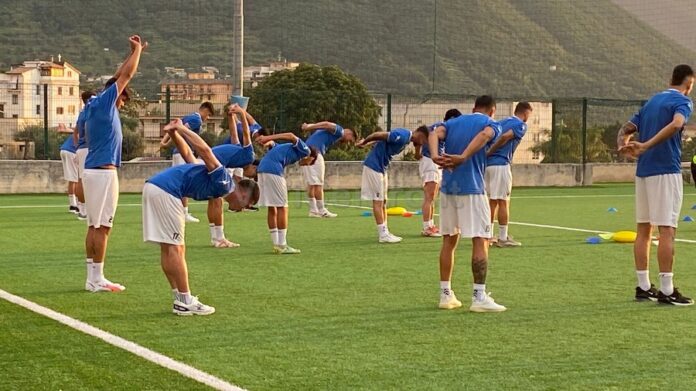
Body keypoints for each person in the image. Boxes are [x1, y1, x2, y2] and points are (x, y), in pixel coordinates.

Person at [143, 119, 259, 315]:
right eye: (247, 205)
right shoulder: (224, 182)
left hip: (155, 187)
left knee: (169, 247)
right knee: (176, 248)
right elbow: (205, 151)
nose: (243, 209)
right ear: (244, 194)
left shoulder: (218, 185)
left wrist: (174, 135)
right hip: (167, 191)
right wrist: (181, 129)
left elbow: (189, 155)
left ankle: (180, 297)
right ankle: (185, 301)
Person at [617, 64, 695, 306]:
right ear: (689, 83)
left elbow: (626, 128)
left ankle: (643, 287)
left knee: (644, 230)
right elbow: (676, 124)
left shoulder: (651, 102)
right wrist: (647, 145)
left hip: (644, 173)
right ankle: (667, 290)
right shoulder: (683, 102)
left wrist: (624, 146)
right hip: (665, 171)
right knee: (667, 230)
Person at [429, 95, 506, 312]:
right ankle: (479, 297)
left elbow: (433, 133)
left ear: (473, 108)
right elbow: (485, 135)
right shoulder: (491, 123)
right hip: (472, 189)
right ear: (492, 110)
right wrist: (463, 156)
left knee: (448, 241)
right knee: (481, 240)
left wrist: (435, 156)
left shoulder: (452, 123)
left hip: (448, 190)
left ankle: (446, 294)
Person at [81, 35, 145, 293]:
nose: (121, 103)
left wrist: (132, 53)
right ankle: (97, 278)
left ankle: (92, 276)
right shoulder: (106, 103)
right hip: (102, 173)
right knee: (103, 227)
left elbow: (118, 75)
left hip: (95, 172)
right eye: (121, 99)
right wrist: (138, 51)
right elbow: (124, 77)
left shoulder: (93, 105)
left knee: (94, 225)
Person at [207, 104, 259, 248]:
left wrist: (231, 116)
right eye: (253, 174)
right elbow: (246, 133)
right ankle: (220, 238)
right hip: (212, 163)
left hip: (209, 160)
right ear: (253, 166)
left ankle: (215, 237)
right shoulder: (249, 155)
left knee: (213, 200)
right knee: (217, 201)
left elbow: (234, 133)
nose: (250, 176)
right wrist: (241, 113)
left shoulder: (237, 149)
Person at [255, 132, 316, 254]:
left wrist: (268, 142)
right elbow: (291, 135)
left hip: (261, 169)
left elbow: (273, 145)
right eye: (310, 163)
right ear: (311, 157)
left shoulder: (284, 149)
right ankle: (282, 245)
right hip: (273, 170)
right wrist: (268, 137)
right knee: (283, 207)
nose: (308, 165)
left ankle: (276, 244)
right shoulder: (306, 151)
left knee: (272, 207)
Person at [485, 102, 533, 247]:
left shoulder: (501, 122)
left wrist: (486, 154)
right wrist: (491, 151)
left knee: (491, 201)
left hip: (488, 166)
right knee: (503, 201)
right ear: (525, 113)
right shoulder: (520, 125)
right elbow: (505, 137)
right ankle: (503, 237)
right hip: (501, 165)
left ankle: (488, 235)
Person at [160, 101, 216, 223]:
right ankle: (183, 213)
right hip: (183, 153)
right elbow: (178, 130)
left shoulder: (189, 116)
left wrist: (164, 141)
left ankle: (177, 211)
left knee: (179, 182)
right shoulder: (197, 119)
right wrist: (167, 143)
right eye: (209, 115)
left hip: (178, 153)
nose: (208, 118)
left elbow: (173, 125)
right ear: (205, 110)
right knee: (184, 183)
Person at [358, 127, 416, 243]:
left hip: (381, 168)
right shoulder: (402, 135)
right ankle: (382, 234)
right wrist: (364, 142)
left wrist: (368, 143)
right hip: (374, 166)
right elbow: (378, 135)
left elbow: (382, 139)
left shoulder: (405, 139)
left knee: (383, 201)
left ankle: (385, 231)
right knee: (378, 201)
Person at [413, 109, 461, 237]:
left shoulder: (434, 127)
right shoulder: (443, 128)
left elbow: (417, 140)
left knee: (432, 196)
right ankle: (427, 227)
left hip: (429, 162)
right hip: (431, 162)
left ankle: (431, 225)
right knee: (430, 196)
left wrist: (418, 154)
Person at [301, 121, 356, 218]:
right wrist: (309, 127)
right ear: (350, 133)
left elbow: (320, 126)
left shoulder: (324, 131)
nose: (347, 142)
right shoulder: (340, 131)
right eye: (350, 140)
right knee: (318, 183)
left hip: (306, 152)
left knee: (312, 183)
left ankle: (313, 210)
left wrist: (308, 126)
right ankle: (322, 210)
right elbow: (326, 124)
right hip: (315, 153)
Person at [74, 91, 95, 220]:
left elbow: (75, 131)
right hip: (88, 148)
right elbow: (88, 128)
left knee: (81, 178)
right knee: (85, 179)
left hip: (81, 149)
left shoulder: (81, 113)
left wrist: (77, 146)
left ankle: (82, 209)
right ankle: (84, 210)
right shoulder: (89, 112)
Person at [58, 128, 79, 214]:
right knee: (75, 179)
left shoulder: (83, 126)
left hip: (64, 150)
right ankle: (74, 205)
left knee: (73, 179)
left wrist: (64, 130)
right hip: (71, 151)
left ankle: (74, 204)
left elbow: (74, 131)